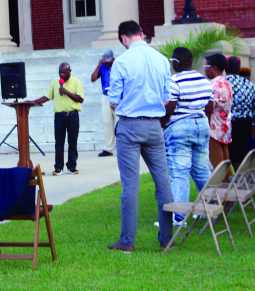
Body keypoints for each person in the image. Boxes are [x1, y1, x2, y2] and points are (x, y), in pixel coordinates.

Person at [106, 20, 174, 253]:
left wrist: (127, 107)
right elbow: (167, 98)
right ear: (142, 34)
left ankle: (127, 241)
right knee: (163, 183)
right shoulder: (162, 59)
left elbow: (113, 100)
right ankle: (166, 238)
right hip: (155, 125)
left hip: (130, 126)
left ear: (123, 38)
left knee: (130, 186)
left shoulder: (122, 61)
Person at [160, 47, 213, 227]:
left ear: (176, 63)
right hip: (202, 125)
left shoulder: (174, 81)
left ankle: (179, 217)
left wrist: (162, 125)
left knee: (179, 172)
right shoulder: (205, 81)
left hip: (179, 129)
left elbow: (170, 108)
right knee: (202, 170)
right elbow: (209, 108)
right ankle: (210, 211)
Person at [34, 63, 84, 175]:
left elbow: (80, 99)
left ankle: (72, 167)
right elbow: (47, 97)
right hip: (59, 117)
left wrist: (66, 92)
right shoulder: (55, 82)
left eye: (64, 72)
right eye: (60, 72)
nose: (62, 74)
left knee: (72, 142)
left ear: (70, 71)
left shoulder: (76, 82)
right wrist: (33, 102)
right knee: (59, 142)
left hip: (73, 115)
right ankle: (58, 167)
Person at [226, 57, 255, 172]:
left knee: (230, 154)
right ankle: (243, 176)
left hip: (228, 123)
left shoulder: (222, 83)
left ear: (226, 67)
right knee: (241, 152)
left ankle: (239, 179)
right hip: (245, 123)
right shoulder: (249, 85)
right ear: (239, 68)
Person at [205, 54, 233, 181]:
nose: (205, 70)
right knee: (226, 167)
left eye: (206, 67)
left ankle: (221, 199)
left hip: (213, 131)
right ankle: (230, 198)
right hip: (224, 130)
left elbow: (208, 109)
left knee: (217, 170)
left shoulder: (213, 85)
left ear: (214, 68)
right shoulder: (227, 83)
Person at [91, 49, 118, 157]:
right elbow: (93, 79)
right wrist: (99, 65)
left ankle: (122, 147)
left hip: (117, 96)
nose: (107, 63)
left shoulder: (118, 66)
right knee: (107, 123)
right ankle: (108, 148)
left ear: (113, 58)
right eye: (106, 61)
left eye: (109, 61)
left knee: (119, 122)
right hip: (106, 96)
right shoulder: (102, 66)